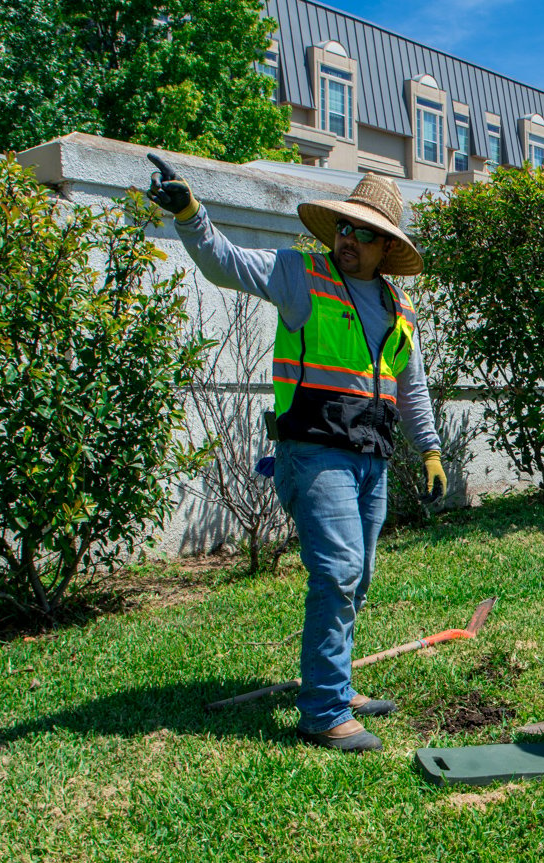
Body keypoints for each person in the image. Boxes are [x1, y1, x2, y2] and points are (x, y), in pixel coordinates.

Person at [147, 154, 446, 753]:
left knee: (355, 581)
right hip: (314, 454)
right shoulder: (299, 276)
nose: (349, 240)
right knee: (337, 574)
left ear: (387, 246)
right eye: (344, 227)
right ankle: (324, 710)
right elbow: (223, 262)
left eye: (364, 233)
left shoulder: (399, 308)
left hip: (372, 457)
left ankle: (334, 680)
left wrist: (431, 450)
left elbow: (410, 386)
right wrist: (190, 214)